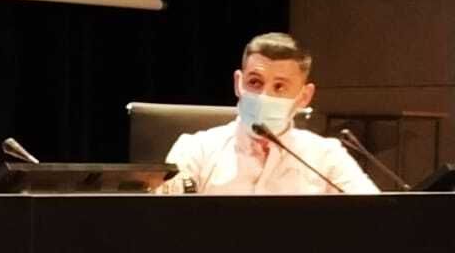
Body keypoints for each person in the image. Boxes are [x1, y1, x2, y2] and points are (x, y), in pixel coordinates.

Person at [162, 31, 378, 195]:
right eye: (254, 82)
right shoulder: (195, 150)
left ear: (304, 97)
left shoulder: (326, 157)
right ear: (239, 83)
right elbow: (164, 225)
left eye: (279, 87)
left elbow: (376, 218)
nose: (264, 96)